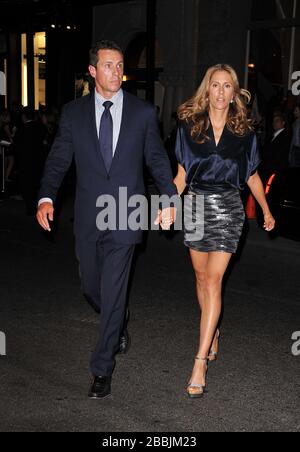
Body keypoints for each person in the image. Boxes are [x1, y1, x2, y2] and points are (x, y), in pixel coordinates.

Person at [36, 40, 177, 399]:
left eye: (120, 65)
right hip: (87, 215)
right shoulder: (73, 113)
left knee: (114, 290)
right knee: (90, 285)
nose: (117, 71)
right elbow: (58, 160)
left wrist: (169, 199)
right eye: (109, 65)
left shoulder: (143, 113)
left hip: (127, 213)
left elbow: (158, 161)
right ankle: (116, 320)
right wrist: (46, 197)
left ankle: (102, 368)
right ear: (93, 71)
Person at [173, 64, 275, 399]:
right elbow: (181, 177)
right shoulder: (191, 126)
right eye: (214, 85)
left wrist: (265, 209)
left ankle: (199, 361)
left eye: (226, 86)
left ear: (234, 92)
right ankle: (212, 330)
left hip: (229, 209)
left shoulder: (245, 132)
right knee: (201, 280)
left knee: (214, 281)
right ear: (207, 89)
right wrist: (166, 204)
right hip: (196, 208)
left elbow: (252, 177)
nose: (220, 92)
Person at [260, 113, 291, 182]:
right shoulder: (274, 135)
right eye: (273, 121)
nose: (274, 123)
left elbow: (281, 154)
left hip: (275, 168)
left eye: (277, 121)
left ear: (283, 123)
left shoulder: (284, 136)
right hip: (269, 167)